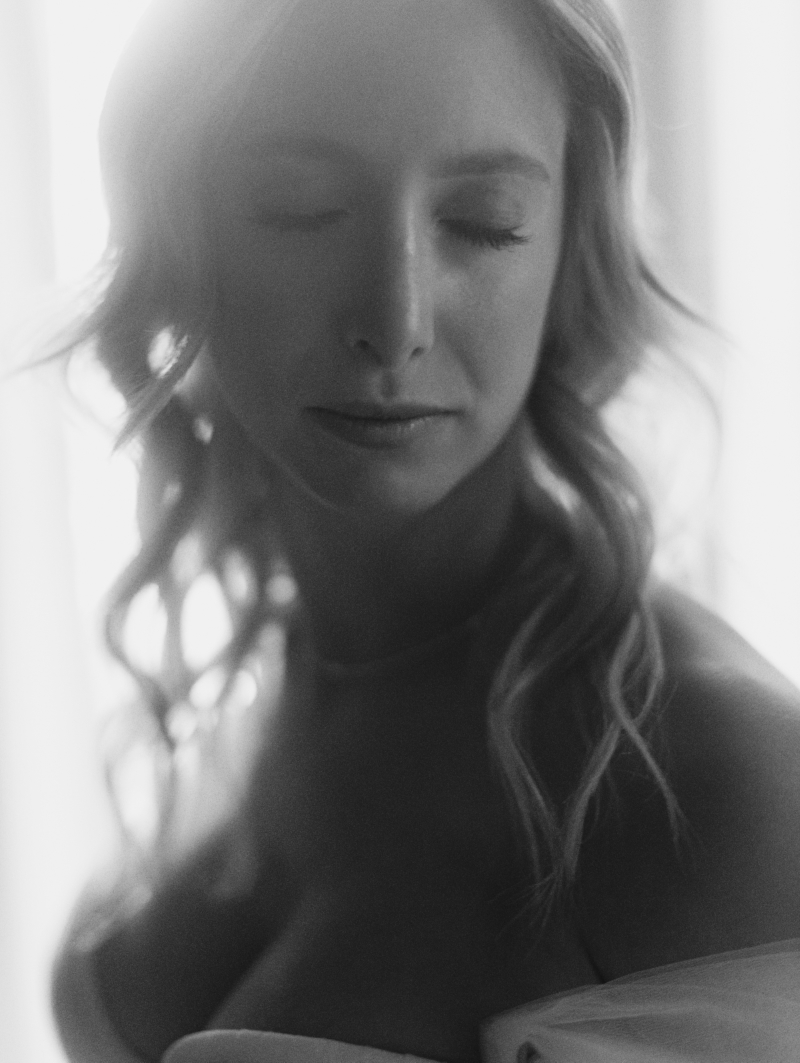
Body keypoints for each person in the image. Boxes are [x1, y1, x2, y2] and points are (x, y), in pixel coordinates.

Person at [50, 0, 800, 1060]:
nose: (393, 320)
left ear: (564, 249)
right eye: (297, 206)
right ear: (177, 234)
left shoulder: (706, 777)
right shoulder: (241, 707)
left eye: (484, 220)